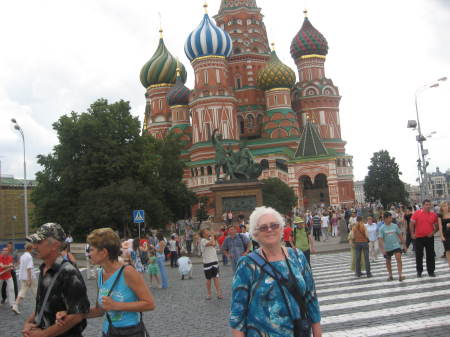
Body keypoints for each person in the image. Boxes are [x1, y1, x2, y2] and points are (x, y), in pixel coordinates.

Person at [229, 206, 322, 337]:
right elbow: (237, 314)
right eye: (263, 227)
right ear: (255, 234)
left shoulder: (297, 256)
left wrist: (318, 334)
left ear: (281, 228)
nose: (269, 230)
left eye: (274, 225)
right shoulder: (246, 264)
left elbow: (311, 299)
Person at [57, 227, 155, 336]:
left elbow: (149, 304)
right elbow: (100, 310)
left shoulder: (127, 272)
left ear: (103, 252)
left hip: (131, 331)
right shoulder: (100, 274)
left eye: (91, 250)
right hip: (108, 331)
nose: (88, 254)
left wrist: (116, 305)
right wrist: (71, 314)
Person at [23, 223, 90, 337]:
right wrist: (29, 322)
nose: (34, 246)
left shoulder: (69, 272)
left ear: (55, 245)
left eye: (39, 242)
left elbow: (77, 315)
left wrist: (44, 334)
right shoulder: (44, 268)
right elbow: (43, 304)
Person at [410, 199, 438, 277]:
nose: (428, 206)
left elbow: (437, 227)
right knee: (419, 255)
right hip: (418, 238)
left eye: (429, 204)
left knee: (430, 255)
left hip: (429, 238)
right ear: (422, 205)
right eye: (426, 204)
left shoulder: (433, 215)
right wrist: (412, 233)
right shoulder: (416, 213)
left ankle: (431, 271)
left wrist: (432, 233)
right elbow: (411, 224)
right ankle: (419, 271)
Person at [378, 212, 406, 281]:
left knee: (398, 258)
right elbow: (380, 240)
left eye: (391, 217)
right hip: (387, 247)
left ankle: (400, 275)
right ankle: (390, 275)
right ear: (385, 219)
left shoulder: (395, 226)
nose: (391, 219)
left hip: (396, 246)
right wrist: (383, 250)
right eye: (389, 217)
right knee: (388, 261)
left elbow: (400, 236)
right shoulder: (381, 228)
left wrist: (404, 245)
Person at [12, 243, 37, 314]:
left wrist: (14, 265)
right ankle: (41, 307)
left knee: (22, 291)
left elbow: (19, 263)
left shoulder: (22, 256)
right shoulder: (29, 257)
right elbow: (29, 268)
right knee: (36, 292)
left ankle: (15, 305)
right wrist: (29, 279)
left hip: (22, 276)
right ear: (31, 249)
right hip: (29, 277)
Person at [199, 228, 223, 300]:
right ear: (203, 234)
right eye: (206, 231)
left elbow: (214, 244)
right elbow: (211, 243)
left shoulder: (210, 238)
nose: (208, 231)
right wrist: (212, 235)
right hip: (207, 262)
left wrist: (212, 236)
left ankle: (219, 293)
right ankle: (209, 294)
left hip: (214, 260)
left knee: (216, 278)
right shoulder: (203, 240)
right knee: (208, 279)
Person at [438, 201, 450, 268]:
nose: (446, 207)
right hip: (446, 234)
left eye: (447, 205)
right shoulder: (440, 215)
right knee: (447, 250)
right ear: (441, 208)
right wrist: (441, 236)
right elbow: (440, 227)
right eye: (444, 206)